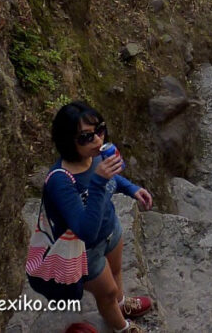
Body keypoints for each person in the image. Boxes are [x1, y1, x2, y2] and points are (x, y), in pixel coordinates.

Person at [44, 101, 154, 333]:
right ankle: (122, 327)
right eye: (85, 137)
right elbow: (85, 231)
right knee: (107, 293)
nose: (97, 140)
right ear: (67, 140)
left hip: (110, 229)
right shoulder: (60, 181)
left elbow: (114, 180)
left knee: (116, 273)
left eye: (99, 130)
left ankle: (122, 305)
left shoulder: (95, 157)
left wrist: (132, 188)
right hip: (85, 248)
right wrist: (98, 181)